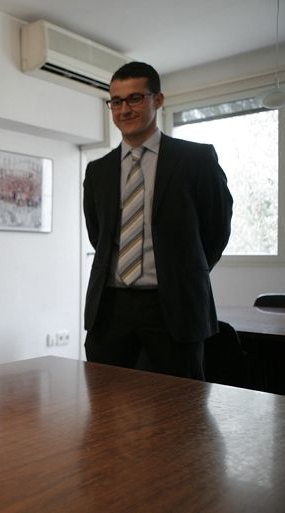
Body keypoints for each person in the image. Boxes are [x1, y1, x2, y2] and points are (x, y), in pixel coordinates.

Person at [82, 61, 233, 379]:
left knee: (181, 401)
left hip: (174, 306)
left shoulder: (196, 160)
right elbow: (99, 235)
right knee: (104, 398)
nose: (124, 109)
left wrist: (184, 272)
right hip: (110, 307)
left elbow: (216, 228)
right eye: (116, 101)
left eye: (134, 98)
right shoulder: (98, 171)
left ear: (158, 100)